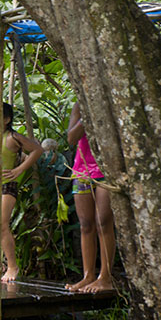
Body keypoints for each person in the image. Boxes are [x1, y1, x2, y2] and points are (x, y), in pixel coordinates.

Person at [0, 102, 42, 282]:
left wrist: (20, 170)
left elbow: (37, 150)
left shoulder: (13, 137)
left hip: (6, 186)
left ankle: (12, 266)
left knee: (1, 225)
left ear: (7, 119)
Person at [65, 102, 115, 293]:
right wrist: (87, 115)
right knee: (86, 224)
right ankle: (88, 276)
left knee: (103, 221)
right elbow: (71, 138)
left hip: (107, 168)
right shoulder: (80, 106)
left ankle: (106, 277)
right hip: (82, 169)